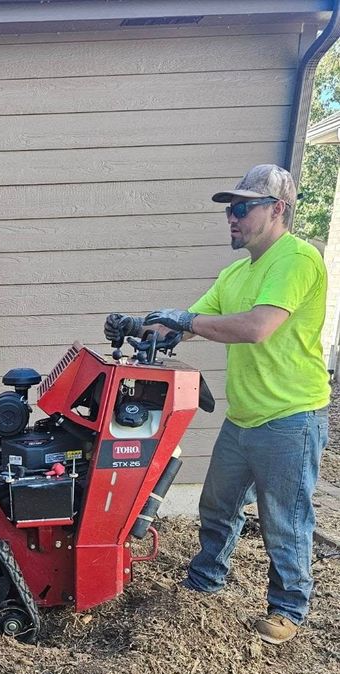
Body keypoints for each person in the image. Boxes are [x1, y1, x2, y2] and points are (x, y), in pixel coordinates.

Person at [105, 163, 330, 645]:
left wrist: (186, 321)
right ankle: (206, 580)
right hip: (245, 415)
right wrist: (137, 325)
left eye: (243, 208)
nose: (232, 217)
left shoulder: (297, 259)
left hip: (292, 417)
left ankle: (288, 609)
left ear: (277, 209)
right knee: (217, 505)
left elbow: (256, 327)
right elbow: (186, 323)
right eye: (230, 209)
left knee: (285, 520)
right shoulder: (235, 273)